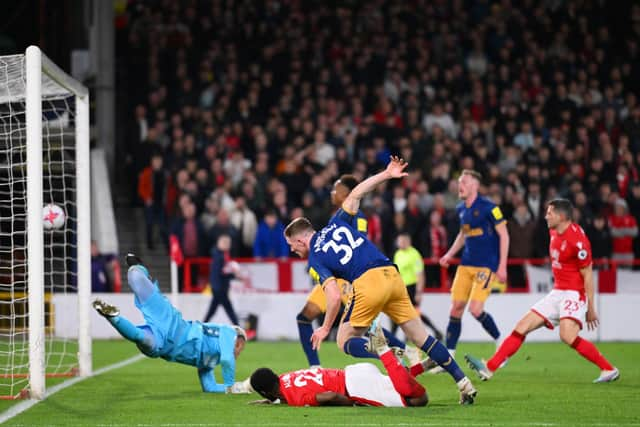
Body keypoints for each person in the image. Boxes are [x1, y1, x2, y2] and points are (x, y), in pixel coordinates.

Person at [284, 157, 477, 404]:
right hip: (391, 274)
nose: (293, 251)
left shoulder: (315, 259)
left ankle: (383, 350)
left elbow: (333, 296)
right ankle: (464, 383)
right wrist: (386, 174)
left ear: (301, 240)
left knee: (344, 339)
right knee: (422, 338)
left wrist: (324, 327)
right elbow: (355, 194)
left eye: (292, 246)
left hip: (367, 282)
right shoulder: (336, 223)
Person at [465, 199, 620, 383]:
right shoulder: (553, 230)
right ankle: (489, 367)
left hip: (574, 293)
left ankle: (608, 369)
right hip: (557, 292)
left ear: (562, 217)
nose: (546, 216)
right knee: (522, 326)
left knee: (567, 336)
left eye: (550, 213)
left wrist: (591, 308)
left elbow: (587, 275)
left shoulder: (578, 241)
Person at [93, 253, 248, 393]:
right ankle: (138, 266)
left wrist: (233, 389)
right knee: (135, 277)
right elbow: (228, 359)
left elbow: (210, 387)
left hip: (165, 347)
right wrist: (232, 385)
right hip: (173, 324)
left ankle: (113, 317)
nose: (239, 351)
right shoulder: (228, 332)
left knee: (139, 337)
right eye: (241, 345)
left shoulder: (210, 362)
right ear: (237, 338)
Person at [297, 174, 409, 368]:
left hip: (350, 279)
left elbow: (359, 242)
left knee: (367, 327)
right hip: (334, 280)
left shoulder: (357, 216)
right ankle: (315, 367)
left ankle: (404, 352)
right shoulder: (336, 217)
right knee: (305, 318)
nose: (332, 192)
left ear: (346, 193)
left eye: (336, 189)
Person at [435, 169, 509, 371]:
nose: (460, 185)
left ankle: (501, 342)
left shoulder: (490, 208)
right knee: (456, 307)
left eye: (465, 182)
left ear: (475, 186)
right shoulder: (461, 209)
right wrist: (449, 254)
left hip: (486, 266)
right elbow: (463, 235)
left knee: (475, 309)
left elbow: (504, 235)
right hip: (466, 264)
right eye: (459, 181)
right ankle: (448, 358)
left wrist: (502, 265)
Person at [249, 325, 429, 407]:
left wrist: (351, 403)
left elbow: (330, 396)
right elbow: (287, 391)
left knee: (418, 401)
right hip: (353, 371)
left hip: (355, 388)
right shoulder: (286, 377)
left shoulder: (295, 398)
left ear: (266, 392)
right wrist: (274, 400)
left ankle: (386, 353)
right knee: (395, 384)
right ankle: (423, 366)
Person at [393, 232, 444, 341]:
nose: (400, 243)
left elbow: (420, 274)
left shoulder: (414, 254)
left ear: (408, 241)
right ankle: (435, 331)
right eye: (399, 241)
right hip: (401, 288)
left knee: (413, 314)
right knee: (403, 313)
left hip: (412, 287)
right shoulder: (398, 254)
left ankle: (434, 331)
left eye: (402, 241)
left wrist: (418, 292)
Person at [203, 234, 240, 325]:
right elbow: (220, 272)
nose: (227, 245)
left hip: (220, 287)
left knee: (213, 309)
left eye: (228, 243)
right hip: (219, 287)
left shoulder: (222, 255)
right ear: (219, 243)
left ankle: (202, 326)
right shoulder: (218, 256)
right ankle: (239, 328)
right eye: (225, 243)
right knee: (228, 308)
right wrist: (234, 274)